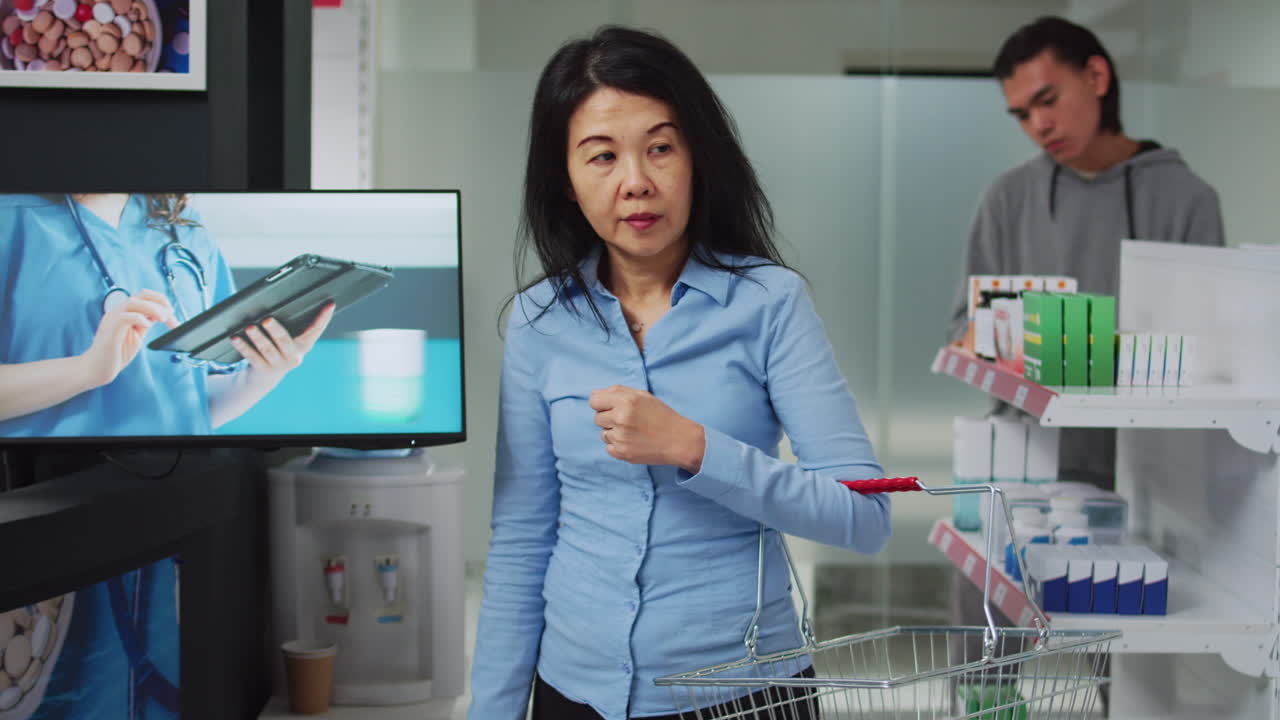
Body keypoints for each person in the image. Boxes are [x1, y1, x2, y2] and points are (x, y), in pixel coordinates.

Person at [468, 26, 892, 720]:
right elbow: (521, 540)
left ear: (698, 158)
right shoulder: (538, 322)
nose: (636, 181)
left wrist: (696, 448)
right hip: (575, 693)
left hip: (746, 694)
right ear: (567, 182)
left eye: (660, 148)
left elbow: (865, 517)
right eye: (601, 157)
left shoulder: (770, 303)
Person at [944, 13, 1225, 697]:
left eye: (1047, 99)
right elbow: (965, 326)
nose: (1038, 124)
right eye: (1020, 114)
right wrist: (1005, 344)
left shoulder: (1186, 199)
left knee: (1130, 665)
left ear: (1096, 77)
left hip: (1145, 477)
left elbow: (1206, 351)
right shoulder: (1008, 199)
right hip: (1024, 469)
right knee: (983, 647)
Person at [0, 193, 334, 437]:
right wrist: (87, 371)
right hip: (48, 487)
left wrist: (262, 375)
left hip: (184, 484)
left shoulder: (182, 225)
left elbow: (190, 401)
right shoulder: (12, 219)